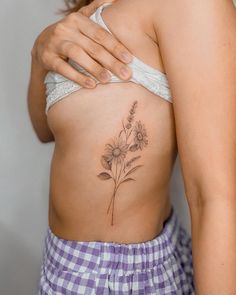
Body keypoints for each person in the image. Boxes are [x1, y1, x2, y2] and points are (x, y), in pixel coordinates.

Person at [27, 0, 236, 294]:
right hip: (61, 264)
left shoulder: (192, 5)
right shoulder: (89, 10)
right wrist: (39, 57)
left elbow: (214, 197)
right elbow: (45, 131)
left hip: (120, 277)